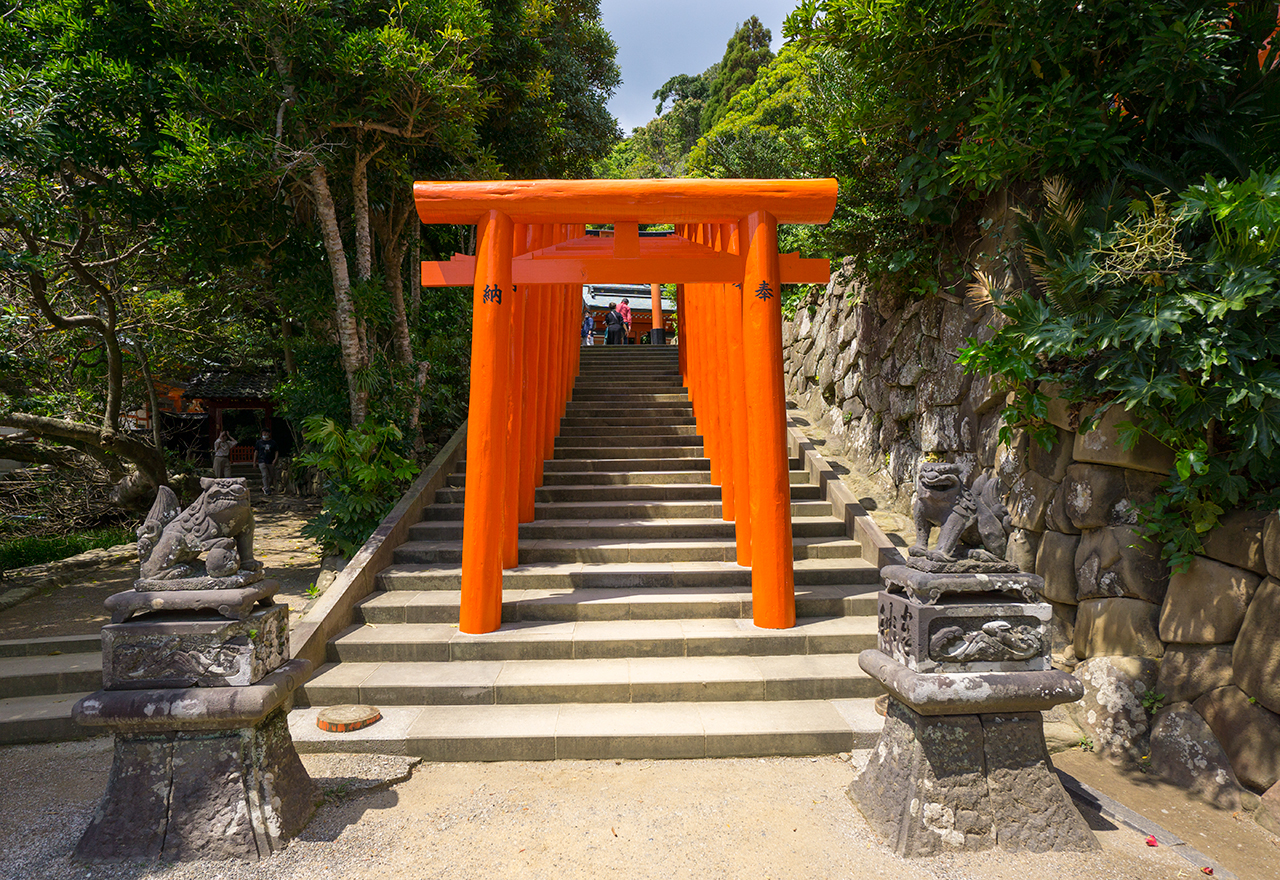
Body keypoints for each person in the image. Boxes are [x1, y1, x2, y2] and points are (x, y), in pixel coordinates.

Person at [253, 429, 279, 495]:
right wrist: (254, 462)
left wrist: (275, 459)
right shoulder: (259, 442)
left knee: (271, 475)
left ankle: (267, 487)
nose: (265, 434)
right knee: (265, 474)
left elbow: (276, 451)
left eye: (267, 433)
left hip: (270, 461)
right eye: (264, 433)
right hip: (262, 460)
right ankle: (266, 488)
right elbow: (256, 452)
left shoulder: (273, 442)